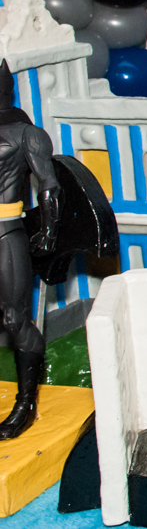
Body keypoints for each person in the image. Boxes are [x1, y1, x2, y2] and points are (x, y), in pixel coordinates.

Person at [0, 60, 60, 439]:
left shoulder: (27, 135)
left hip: (5, 232)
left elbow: (49, 185)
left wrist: (50, 231)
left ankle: (26, 403)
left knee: (14, 318)